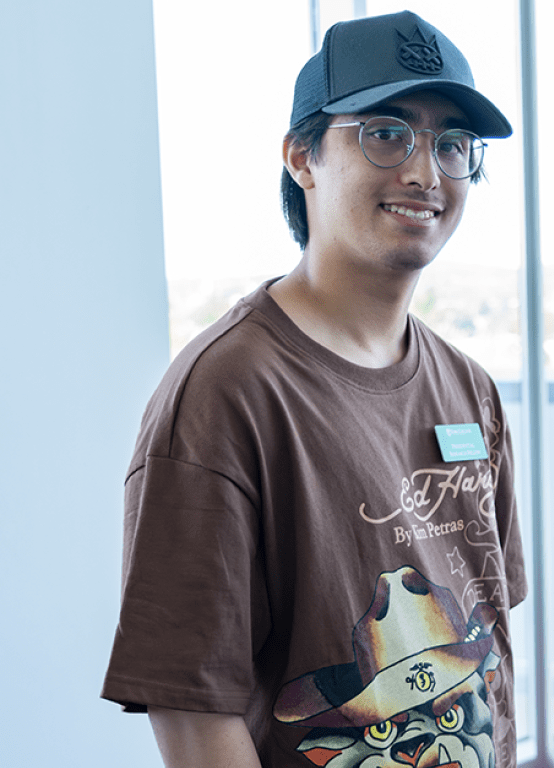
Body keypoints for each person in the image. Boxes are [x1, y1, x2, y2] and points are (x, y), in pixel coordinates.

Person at [101, 12, 526, 768]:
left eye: (452, 144)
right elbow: (193, 711)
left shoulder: (472, 390)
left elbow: (490, 636)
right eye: (387, 132)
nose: (426, 173)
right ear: (303, 156)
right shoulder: (224, 394)